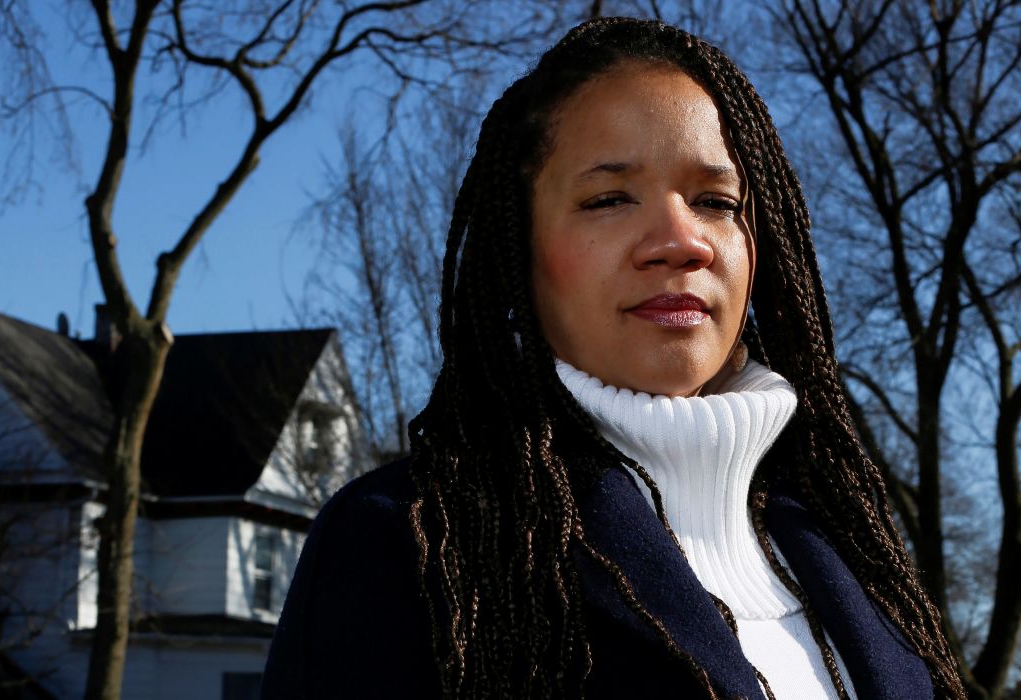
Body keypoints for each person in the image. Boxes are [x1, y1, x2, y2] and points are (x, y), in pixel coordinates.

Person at [261, 17, 965, 700]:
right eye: (609, 199)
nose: (680, 239)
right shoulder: (410, 543)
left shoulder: (857, 558)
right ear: (519, 255)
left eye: (717, 201)